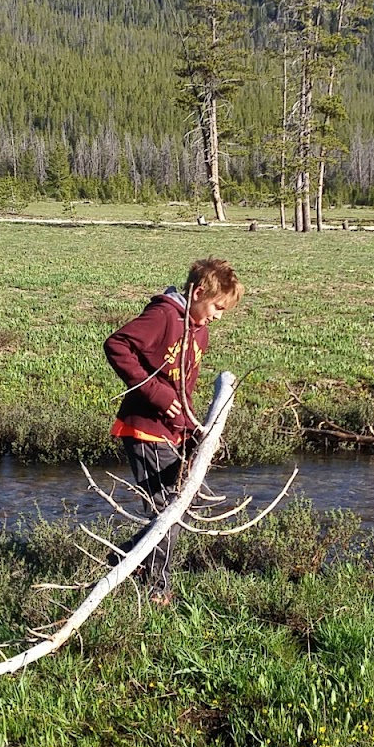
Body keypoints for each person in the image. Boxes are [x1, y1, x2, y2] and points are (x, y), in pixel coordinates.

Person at [104, 257, 243, 604]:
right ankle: (157, 591)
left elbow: (183, 390)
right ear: (197, 293)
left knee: (182, 503)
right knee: (167, 511)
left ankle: (126, 558)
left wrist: (193, 429)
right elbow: (117, 345)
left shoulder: (200, 331)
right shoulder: (164, 316)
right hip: (145, 429)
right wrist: (155, 394)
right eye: (217, 307)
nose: (219, 316)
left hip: (172, 431)